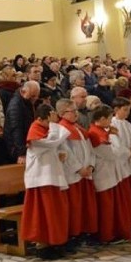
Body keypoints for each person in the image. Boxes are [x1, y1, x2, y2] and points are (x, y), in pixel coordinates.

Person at [21, 104, 70, 260]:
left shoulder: (47, 129)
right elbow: (51, 142)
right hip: (41, 178)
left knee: (55, 213)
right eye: (50, 119)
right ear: (43, 118)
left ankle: (56, 242)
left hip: (52, 175)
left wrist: (62, 153)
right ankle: (43, 246)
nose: (52, 123)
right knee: (43, 214)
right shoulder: (34, 130)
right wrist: (55, 125)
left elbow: (58, 144)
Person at [56, 98, 98, 249]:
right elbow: (66, 153)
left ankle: (87, 231)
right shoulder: (61, 130)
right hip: (74, 175)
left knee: (87, 206)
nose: (76, 114)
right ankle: (75, 234)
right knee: (75, 206)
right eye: (72, 111)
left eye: (76, 111)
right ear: (61, 113)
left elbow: (90, 149)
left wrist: (91, 165)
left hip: (86, 173)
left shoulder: (79, 128)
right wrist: (79, 168)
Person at [88, 106, 131, 244]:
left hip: (110, 174)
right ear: (101, 119)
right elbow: (113, 154)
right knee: (106, 208)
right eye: (108, 118)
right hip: (103, 176)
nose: (110, 121)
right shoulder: (95, 134)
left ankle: (113, 232)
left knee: (111, 207)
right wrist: (125, 150)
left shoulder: (102, 131)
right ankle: (106, 236)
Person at [110, 97, 131, 232]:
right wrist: (128, 152)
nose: (127, 113)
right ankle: (128, 224)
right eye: (125, 110)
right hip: (122, 165)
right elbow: (116, 147)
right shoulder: (112, 125)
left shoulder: (127, 124)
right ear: (116, 110)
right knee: (126, 197)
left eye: (128, 110)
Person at [4, 81, 39, 165]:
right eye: (32, 96)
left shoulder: (25, 102)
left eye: (36, 96)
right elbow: (16, 130)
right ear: (23, 92)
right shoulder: (15, 106)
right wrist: (21, 153)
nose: (35, 98)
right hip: (16, 148)